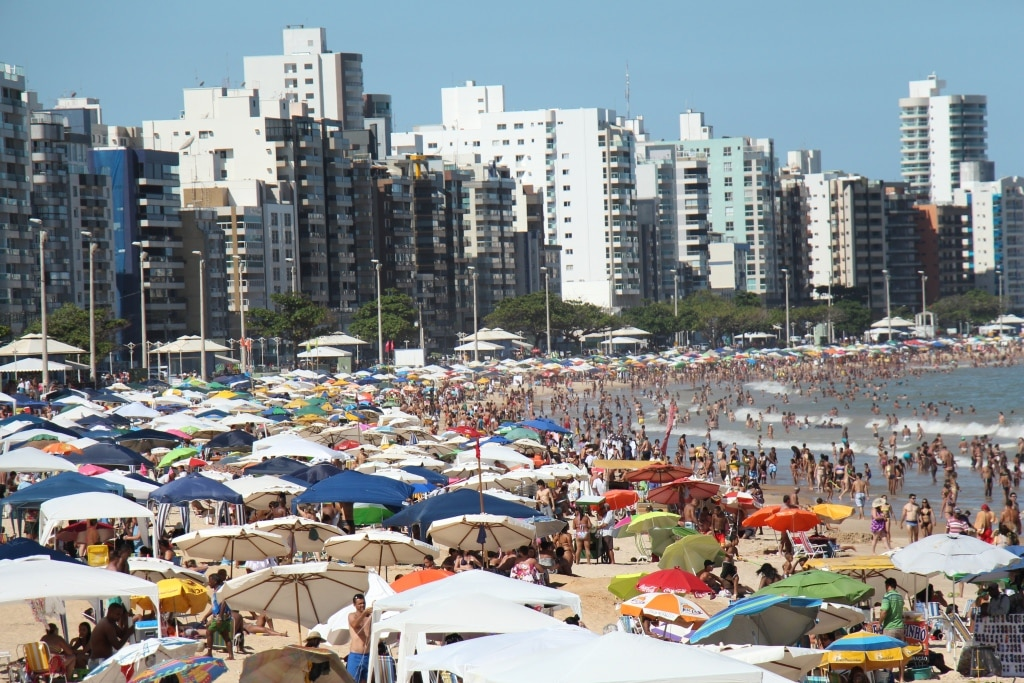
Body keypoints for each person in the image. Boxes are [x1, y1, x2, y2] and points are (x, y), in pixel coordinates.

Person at [88, 603, 134, 669]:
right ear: (110, 612)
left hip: (101, 660)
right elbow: (117, 646)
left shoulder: (110, 622)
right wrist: (129, 632)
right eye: (117, 614)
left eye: (120, 615)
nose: (119, 617)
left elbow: (122, 635)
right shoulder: (107, 625)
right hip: (98, 662)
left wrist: (126, 619)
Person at [203, 574, 234, 661]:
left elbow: (223, 603)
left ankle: (209, 653)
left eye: (210, 581)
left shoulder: (219, 591)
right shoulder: (218, 590)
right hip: (225, 616)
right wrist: (206, 616)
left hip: (220, 617)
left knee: (209, 632)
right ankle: (231, 655)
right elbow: (214, 606)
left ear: (215, 581)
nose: (209, 583)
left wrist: (219, 617)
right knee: (226, 636)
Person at [347, 593, 371, 683]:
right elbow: (354, 624)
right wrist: (364, 613)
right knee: (353, 680)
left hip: (367, 655)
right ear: (354, 605)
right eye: (360, 604)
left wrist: (377, 606)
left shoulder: (369, 616)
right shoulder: (352, 616)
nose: (362, 605)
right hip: (355, 655)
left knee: (366, 680)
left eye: (363, 603)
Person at [879, 577, 905, 643]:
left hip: (890, 628)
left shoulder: (887, 596)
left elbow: (884, 611)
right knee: (899, 650)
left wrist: (879, 623)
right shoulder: (900, 596)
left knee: (889, 651)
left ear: (888, 585)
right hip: (900, 627)